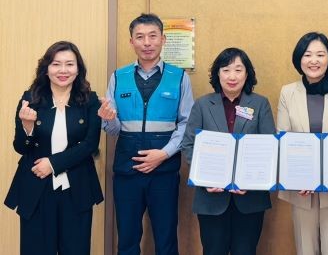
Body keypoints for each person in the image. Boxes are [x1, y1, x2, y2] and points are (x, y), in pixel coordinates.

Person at [98, 13, 194, 255]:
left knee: (166, 238)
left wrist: (164, 154)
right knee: (127, 239)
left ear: (163, 39)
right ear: (131, 41)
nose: (147, 43)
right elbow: (114, 129)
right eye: (140, 37)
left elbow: (186, 123)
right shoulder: (118, 77)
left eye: (153, 36)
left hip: (164, 171)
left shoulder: (179, 77)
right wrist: (107, 119)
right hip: (126, 171)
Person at [4, 41, 104, 255]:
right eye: (56, 64)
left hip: (76, 188)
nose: (63, 70)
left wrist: (53, 163)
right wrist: (27, 127)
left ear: (78, 69)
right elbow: (21, 147)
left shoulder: (90, 100)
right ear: (46, 68)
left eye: (69, 64)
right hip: (36, 188)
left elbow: (90, 144)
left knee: (76, 249)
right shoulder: (30, 99)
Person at [182, 47, 276, 255]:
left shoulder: (260, 104)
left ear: (247, 74)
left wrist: (251, 181)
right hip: (211, 198)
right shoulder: (203, 104)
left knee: (245, 251)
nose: (232, 76)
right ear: (217, 74)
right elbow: (188, 145)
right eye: (226, 70)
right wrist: (205, 178)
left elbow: (270, 147)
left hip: (250, 199)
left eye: (238, 70)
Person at [277, 32, 328, 255]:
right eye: (307, 55)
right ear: (299, 59)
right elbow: (284, 140)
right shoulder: (288, 92)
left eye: (320, 54)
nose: (313, 60)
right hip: (301, 188)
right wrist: (299, 177)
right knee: (306, 249)